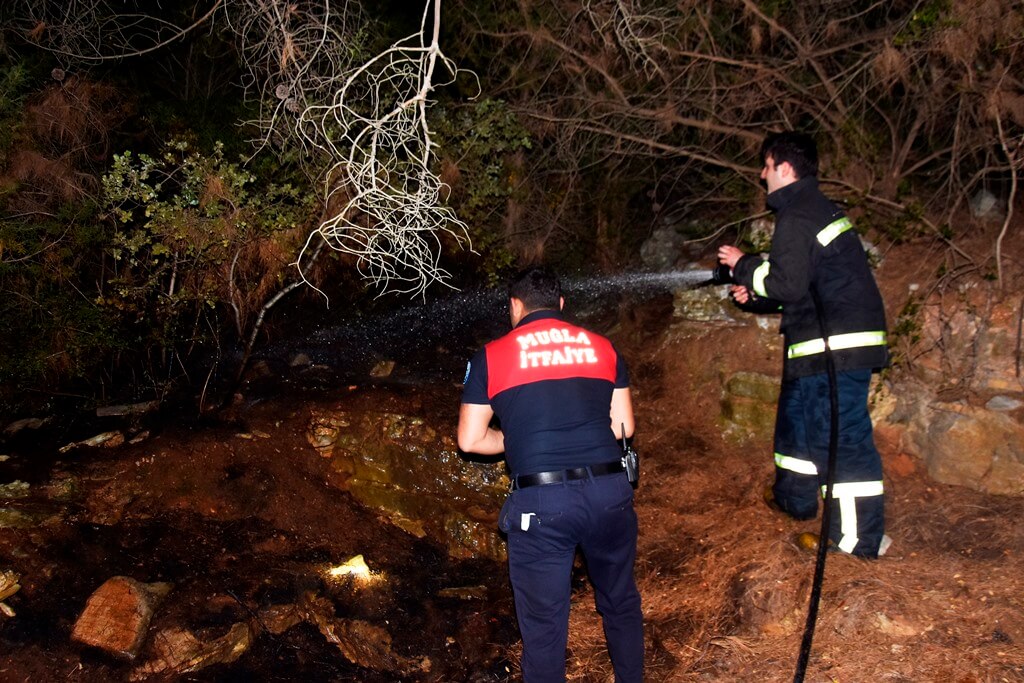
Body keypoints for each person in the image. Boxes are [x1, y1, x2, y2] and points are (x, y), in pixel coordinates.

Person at [457, 267, 643, 682]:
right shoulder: (603, 347)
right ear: (561, 305)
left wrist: (518, 436)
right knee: (620, 600)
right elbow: (623, 428)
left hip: (543, 504)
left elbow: (470, 440)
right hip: (609, 494)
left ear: (515, 307)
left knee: (544, 628)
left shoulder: (491, 355)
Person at [717, 131, 891, 558]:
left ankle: (855, 542)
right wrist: (757, 296)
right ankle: (794, 500)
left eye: (766, 166)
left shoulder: (797, 216)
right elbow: (801, 287)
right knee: (798, 427)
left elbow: (788, 283)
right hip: (819, 345)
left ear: (785, 169)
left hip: (835, 348)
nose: (762, 175)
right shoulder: (811, 210)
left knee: (840, 441)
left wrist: (744, 266)